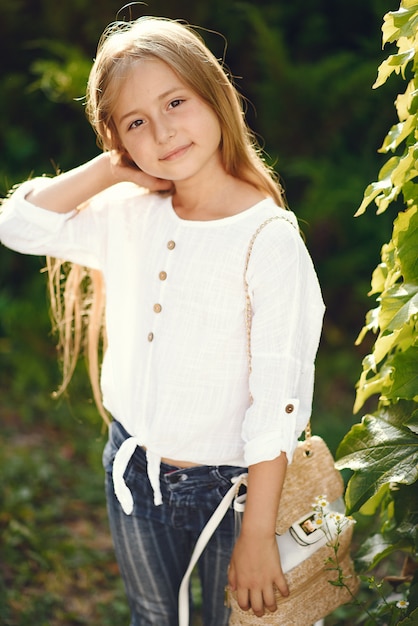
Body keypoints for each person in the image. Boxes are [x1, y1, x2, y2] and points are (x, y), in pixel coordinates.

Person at [0, 16, 325, 626]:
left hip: (233, 494)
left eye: (176, 101)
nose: (164, 130)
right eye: (136, 122)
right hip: (133, 471)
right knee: (153, 616)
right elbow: (15, 226)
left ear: (215, 96)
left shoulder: (267, 238)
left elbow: (278, 401)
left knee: (230, 621)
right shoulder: (131, 210)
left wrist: (259, 538)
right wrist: (111, 171)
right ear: (119, 139)